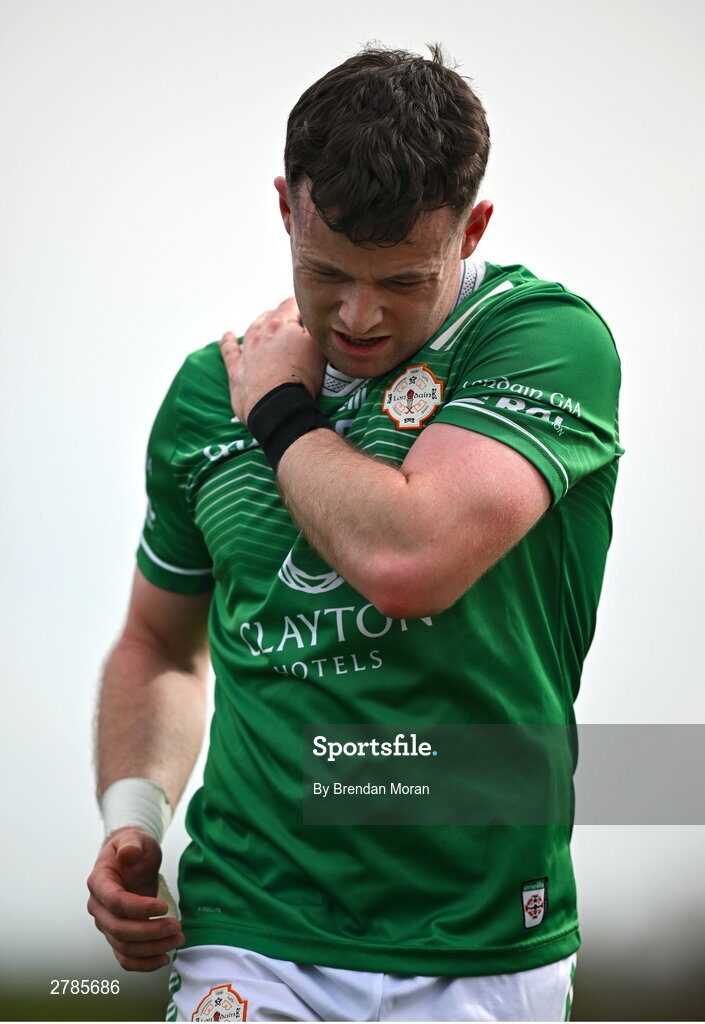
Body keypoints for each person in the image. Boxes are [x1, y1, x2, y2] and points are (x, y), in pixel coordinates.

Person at [87, 44, 622, 1022]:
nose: (361, 316)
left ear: (474, 230)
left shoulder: (546, 343)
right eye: (328, 275)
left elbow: (407, 561)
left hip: (484, 943)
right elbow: (158, 642)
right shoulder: (211, 391)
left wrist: (285, 419)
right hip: (249, 931)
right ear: (286, 209)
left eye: (405, 281)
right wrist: (133, 819)